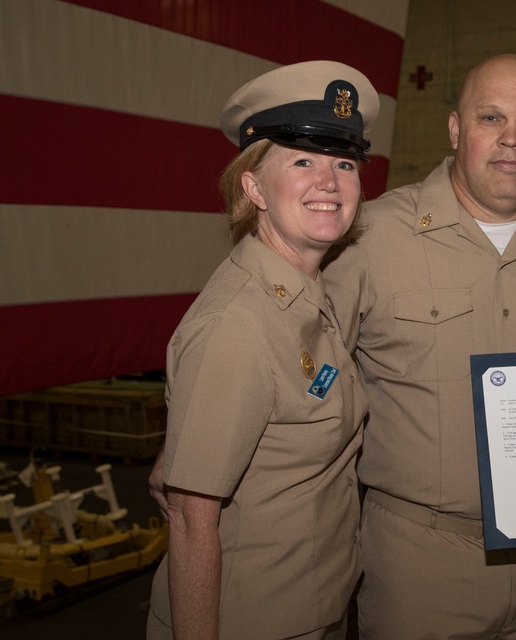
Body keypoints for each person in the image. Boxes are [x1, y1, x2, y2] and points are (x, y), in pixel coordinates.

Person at [323, 54, 516, 639]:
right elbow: (312, 385)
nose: (510, 139)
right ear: (456, 130)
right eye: (490, 118)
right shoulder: (371, 238)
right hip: (421, 565)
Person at [146, 61, 378, 640]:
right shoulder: (239, 323)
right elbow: (192, 522)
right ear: (253, 187)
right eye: (302, 161)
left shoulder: (307, 298)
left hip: (314, 607)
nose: (329, 182)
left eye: (344, 163)